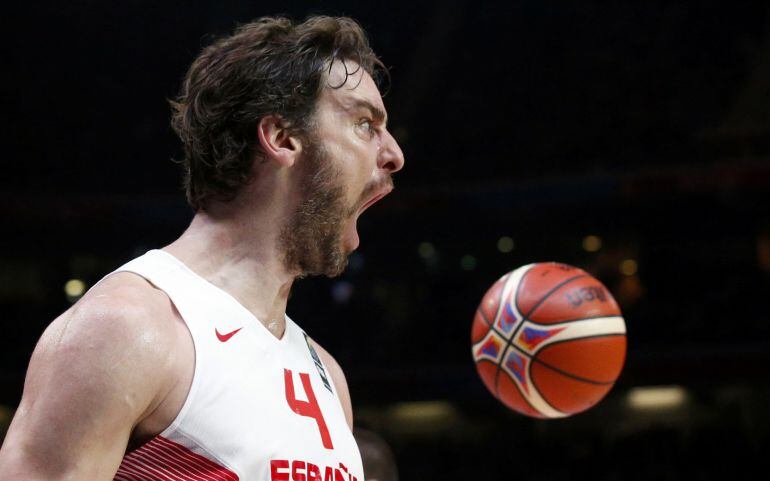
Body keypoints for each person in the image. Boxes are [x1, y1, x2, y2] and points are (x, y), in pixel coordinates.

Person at [0, 15, 404, 481]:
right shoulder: (128, 328)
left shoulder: (328, 378)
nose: (394, 153)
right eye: (363, 123)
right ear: (282, 138)